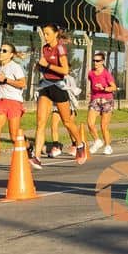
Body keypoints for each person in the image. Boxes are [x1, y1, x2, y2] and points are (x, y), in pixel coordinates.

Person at [30, 24, 86, 169]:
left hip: (59, 87)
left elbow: (65, 70)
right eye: (44, 34)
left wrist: (47, 65)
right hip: (45, 86)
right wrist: (39, 66)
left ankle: (80, 144)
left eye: (47, 34)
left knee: (67, 121)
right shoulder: (45, 48)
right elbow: (44, 65)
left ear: (55, 34)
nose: (45, 36)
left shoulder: (60, 48)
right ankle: (37, 157)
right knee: (40, 123)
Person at [0, 43, 27, 173]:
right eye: (0, 50)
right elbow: (0, 82)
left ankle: (28, 147)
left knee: (14, 136)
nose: (1, 52)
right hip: (1, 102)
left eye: (4, 51)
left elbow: (23, 83)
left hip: (14, 102)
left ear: (11, 55)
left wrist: (6, 80)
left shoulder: (15, 67)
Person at [87, 52, 117, 154]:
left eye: (98, 61)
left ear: (102, 62)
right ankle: (97, 141)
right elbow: (92, 85)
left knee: (103, 126)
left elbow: (114, 87)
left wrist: (103, 88)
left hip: (106, 100)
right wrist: (91, 93)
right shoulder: (90, 73)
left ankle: (108, 146)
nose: (95, 62)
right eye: (94, 60)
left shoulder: (106, 74)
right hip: (95, 100)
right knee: (90, 123)